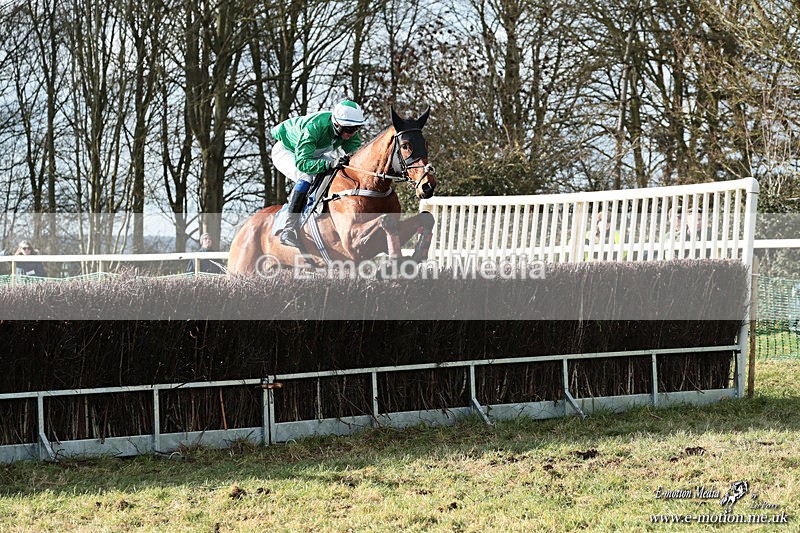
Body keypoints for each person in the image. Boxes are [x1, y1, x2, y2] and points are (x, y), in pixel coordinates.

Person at [270, 99, 367, 248]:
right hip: (288, 151)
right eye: (348, 130)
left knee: (339, 171)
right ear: (336, 124)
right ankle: (288, 229)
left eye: (356, 129)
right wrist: (328, 164)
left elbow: (355, 154)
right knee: (306, 176)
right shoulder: (315, 127)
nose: (352, 133)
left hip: (314, 153)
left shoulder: (348, 129)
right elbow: (302, 163)